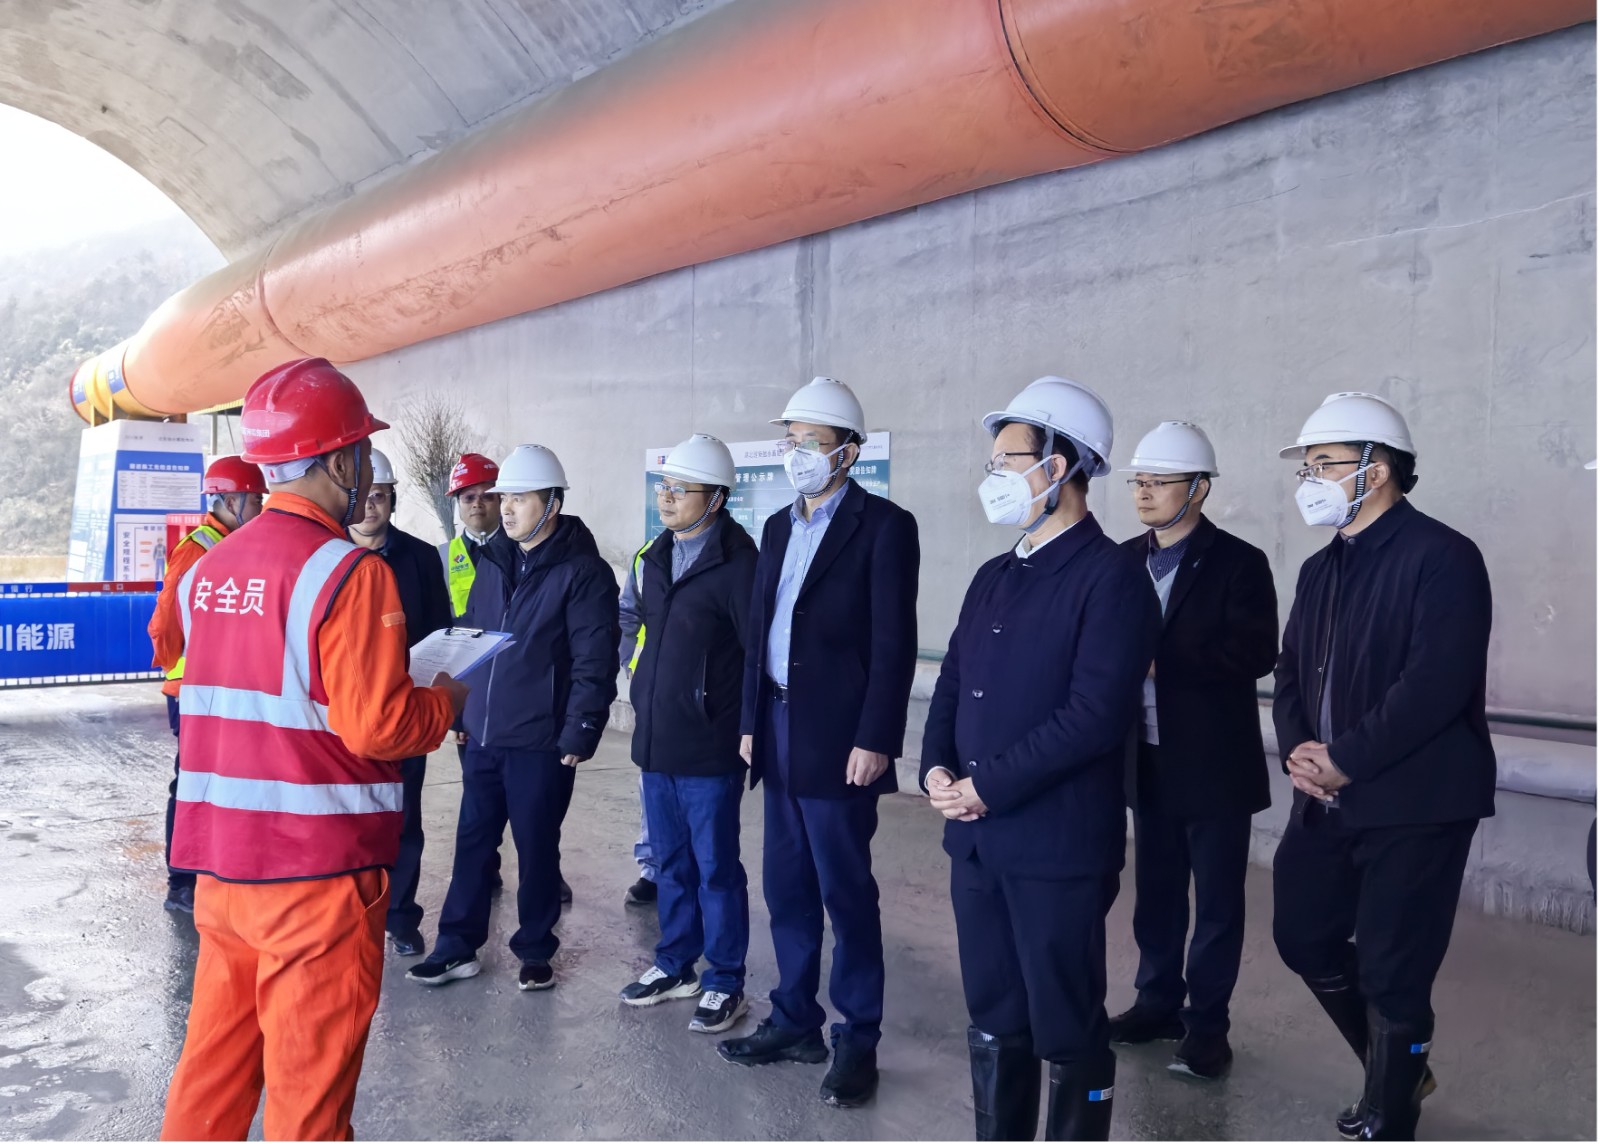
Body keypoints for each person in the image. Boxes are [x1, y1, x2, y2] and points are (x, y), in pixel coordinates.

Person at [159, 358, 466, 1141]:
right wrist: (445, 703)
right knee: (309, 1103)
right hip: (316, 877)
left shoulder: (207, 569)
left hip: (223, 868)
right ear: (337, 461)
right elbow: (378, 728)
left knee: (212, 1077)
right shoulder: (348, 573)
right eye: (361, 450)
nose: (366, 468)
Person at [922, 376, 1160, 1142]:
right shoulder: (995, 575)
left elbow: (1094, 717)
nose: (992, 476)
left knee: (1064, 1018)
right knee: (994, 1011)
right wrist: (935, 767)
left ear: (1057, 467)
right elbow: (953, 681)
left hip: (1056, 847)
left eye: (1006, 460)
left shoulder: (1112, 579)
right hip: (976, 842)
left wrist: (985, 786)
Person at [1271, 392, 1495, 1142]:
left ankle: (1390, 1113)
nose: (1311, 479)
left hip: (1417, 802)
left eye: (1324, 464)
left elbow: (1435, 684)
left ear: (1375, 470)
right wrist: (1302, 752)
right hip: (1325, 796)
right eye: (1306, 467)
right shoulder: (1319, 568)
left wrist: (1347, 758)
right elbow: (1292, 671)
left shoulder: (1443, 557)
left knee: (1396, 967)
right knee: (1303, 935)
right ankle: (1396, 1067)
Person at [717, 377, 920, 1110]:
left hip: (841, 738)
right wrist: (749, 721)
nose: (796, 452)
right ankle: (794, 1019)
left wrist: (876, 737)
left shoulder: (884, 527)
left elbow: (894, 643)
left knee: (845, 888)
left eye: (811, 441)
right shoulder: (777, 526)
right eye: (791, 440)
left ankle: (856, 1038)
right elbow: (760, 633)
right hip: (775, 725)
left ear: (848, 452)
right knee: (787, 885)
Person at [408, 445, 620, 991]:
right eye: (505, 498)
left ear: (552, 504)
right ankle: (456, 947)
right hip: (483, 733)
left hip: (541, 739)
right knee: (473, 844)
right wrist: (459, 708)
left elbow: (595, 658)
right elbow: (473, 642)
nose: (505, 509)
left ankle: (535, 949)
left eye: (520, 499)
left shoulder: (583, 572)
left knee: (536, 847)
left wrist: (581, 728)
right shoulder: (494, 561)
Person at [1108, 421, 1278, 1079]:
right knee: (1155, 894)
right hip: (1145, 757)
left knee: (1216, 904)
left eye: (1160, 482)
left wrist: (1161, 662)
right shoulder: (1123, 560)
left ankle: (1207, 1028)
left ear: (1199, 489)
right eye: (1139, 482)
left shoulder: (1239, 563)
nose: (1144, 493)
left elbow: (1256, 652)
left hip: (1213, 766)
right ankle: (1156, 1004)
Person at [617, 434, 756, 1035]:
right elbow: (631, 624)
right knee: (670, 863)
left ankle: (725, 978)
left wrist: (749, 728)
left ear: (716, 499)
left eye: (681, 489)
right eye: (664, 487)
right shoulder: (653, 556)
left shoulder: (740, 565)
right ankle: (676, 963)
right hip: (657, 737)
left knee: (715, 867)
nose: (667, 498)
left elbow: (757, 656)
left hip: (709, 744)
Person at [146, 455, 265, 913]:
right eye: (255, 500)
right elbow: (165, 622)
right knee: (193, 784)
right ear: (230, 501)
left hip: (221, 688)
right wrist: (175, 666)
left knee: (225, 781)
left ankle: (215, 870)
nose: (260, 507)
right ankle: (181, 883)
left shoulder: (237, 543)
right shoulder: (199, 548)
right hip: (193, 690)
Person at [349, 447, 455, 957]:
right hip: (342, 713)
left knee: (403, 816)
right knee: (347, 815)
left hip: (403, 709)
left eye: (380, 495)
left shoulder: (420, 558)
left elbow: (439, 631)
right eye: (364, 495)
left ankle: (400, 916)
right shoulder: (326, 554)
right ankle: (351, 912)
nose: (371, 505)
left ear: (393, 500)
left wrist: (437, 703)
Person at [618, 536, 663, 907]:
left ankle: (690, 867)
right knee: (651, 777)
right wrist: (628, 661)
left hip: (700, 690)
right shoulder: (648, 555)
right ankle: (653, 870)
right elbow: (628, 613)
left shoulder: (734, 554)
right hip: (648, 685)